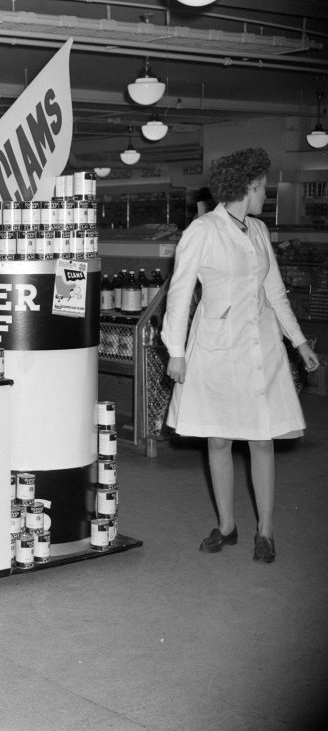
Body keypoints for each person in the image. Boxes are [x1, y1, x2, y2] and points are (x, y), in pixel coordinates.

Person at [161, 147, 319, 564]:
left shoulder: (259, 231)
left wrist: (298, 341)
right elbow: (179, 295)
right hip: (216, 345)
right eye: (263, 188)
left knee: (261, 437)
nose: (265, 195)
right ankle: (227, 526)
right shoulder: (203, 230)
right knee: (219, 438)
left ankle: (265, 530)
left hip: (261, 345)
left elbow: (275, 291)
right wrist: (175, 352)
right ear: (247, 187)